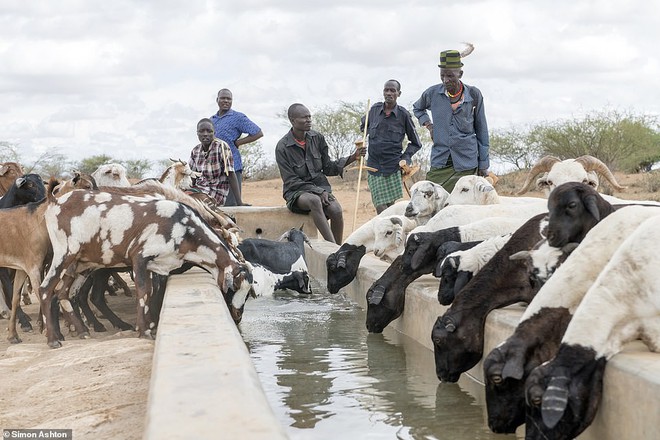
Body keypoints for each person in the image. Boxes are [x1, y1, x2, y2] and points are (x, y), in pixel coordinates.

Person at [275, 103, 366, 244]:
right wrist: (318, 191)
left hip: (321, 189)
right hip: (296, 192)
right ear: (292, 120)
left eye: (310, 116)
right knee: (314, 201)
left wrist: (353, 157)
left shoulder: (317, 138)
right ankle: (332, 250)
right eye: (304, 117)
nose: (308, 120)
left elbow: (328, 167)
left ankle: (337, 247)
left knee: (336, 210)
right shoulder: (282, 147)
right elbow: (291, 180)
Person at [413, 44, 490, 192]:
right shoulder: (432, 93)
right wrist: (429, 126)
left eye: (450, 75)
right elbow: (417, 108)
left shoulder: (474, 95)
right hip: (441, 158)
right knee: (430, 197)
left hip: (467, 161)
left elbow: (482, 130)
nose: (445, 80)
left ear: (460, 74)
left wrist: (483, 165)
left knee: (462, 203)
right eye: (442, 75)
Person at [361, 79, 422, 214]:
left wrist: (405, 158)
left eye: (392, 90)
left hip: (392, 167)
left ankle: (392, 232)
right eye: (386, 90)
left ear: (398, 94)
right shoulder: (374, 110)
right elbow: (363, 129)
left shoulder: (403, 115)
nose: (389, 93)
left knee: (390, 207)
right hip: (373, 167)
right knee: (380, 206)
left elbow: (416, 143)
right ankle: (386, 229)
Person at [211, 88, 263, 206]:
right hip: (215, 167)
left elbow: (258, 132)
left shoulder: (238, 117)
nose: (226, 101)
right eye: (223, 98)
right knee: (216, 204)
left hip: (233, 165)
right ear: (217, 100)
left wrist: (238, 143)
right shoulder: (212, 120)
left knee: (232, 205)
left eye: (229, 99)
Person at [189, 118, 244, 206]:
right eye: (202, 131)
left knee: (197, 202)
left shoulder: (222, 147)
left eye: (209, 131)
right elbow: (193, 176)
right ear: (197, 134)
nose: (205, 134)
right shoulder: (195, 151)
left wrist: (239, 202)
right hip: (200, 189)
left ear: (214, 133)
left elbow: (230, 174)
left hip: (216, 191)